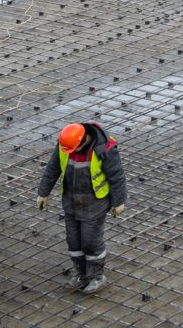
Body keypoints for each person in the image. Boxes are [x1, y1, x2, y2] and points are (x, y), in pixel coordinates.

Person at [37, 121, 129, 294]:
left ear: (83, 140)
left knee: (90, 241)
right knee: (73, 240)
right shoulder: (65, 145)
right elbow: (52, 169)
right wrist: (43, 193)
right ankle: (80, 274)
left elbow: (117, 176)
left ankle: (96, 277)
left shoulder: (104, 149)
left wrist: (118, 202)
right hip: (71, 201)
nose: (71, 152)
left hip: (94, 204)